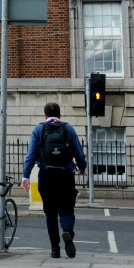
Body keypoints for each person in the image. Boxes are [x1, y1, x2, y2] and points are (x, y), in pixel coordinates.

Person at [21, 102, 87, 259]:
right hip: (65, 175)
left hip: (46, 175)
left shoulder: (39, 129)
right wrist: (82, 168)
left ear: (45, 116)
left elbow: (31, 155)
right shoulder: (68, 128)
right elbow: (79, 152)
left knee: (50, 213)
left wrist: (25, 175)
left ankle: (54, 249)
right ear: (59, 115)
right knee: (66, 209)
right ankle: (67, 231)